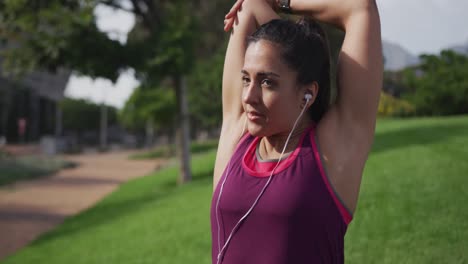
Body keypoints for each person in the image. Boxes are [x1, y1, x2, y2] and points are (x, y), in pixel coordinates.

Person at [210, 0, 382, 263]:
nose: (248, 96)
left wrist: (281, 2)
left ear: (308, 93)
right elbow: (249, 7)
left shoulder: (331, 152)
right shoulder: (237, 138)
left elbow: (359, 8)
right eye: (246, 78)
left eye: (267, 82)